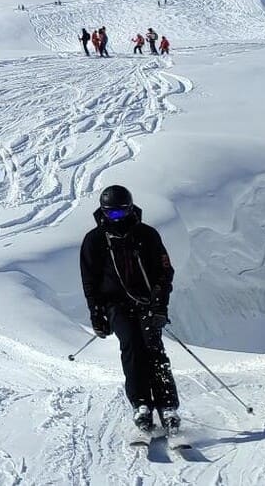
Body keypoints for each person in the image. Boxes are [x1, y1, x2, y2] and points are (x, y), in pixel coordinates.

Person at [80, 185, 180, 435]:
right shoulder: (95, 240)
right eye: (110, 214)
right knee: (132, 346)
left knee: (153, 347)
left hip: (147, 302)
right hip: (116, 305)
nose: (116, 219)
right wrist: (97, 314)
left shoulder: (146, 235)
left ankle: (168, 406)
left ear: (130, 209)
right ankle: (141, 403)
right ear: (103, 212)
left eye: (120, 213)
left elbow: (164, 272)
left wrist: (159, 306)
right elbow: (89, 281)